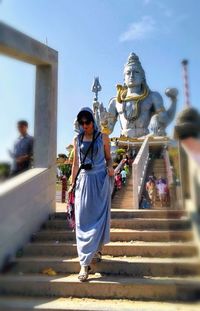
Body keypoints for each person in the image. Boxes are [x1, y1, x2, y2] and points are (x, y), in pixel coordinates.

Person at [69, 107, 114, 282]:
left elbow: (108, 158)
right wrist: (72, 184)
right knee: (82, 221)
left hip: (100, 181)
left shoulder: (103, 137)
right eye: (82, 122)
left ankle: (94, 252)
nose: (85, 125)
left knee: (99, 218)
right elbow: (75, 164)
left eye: (88, 122)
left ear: (93, 121)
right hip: (83, 182)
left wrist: (110, 166)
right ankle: (84, 263)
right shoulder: (77, 139)